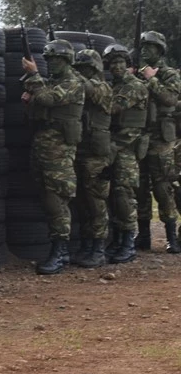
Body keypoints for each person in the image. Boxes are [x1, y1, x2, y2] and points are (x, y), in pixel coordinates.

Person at [22, 39, 84, 275]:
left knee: (56, 200)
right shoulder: (50, 83)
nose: (52, 64)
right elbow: (38, 107)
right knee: (47, 198)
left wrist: (34, 75)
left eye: (57, 60)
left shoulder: (73, 83)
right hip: (43, 148)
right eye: (49, 61)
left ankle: (60, 251)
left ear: (67, 60)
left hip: (59, 151)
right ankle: (60, 250)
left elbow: (48, 99)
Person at [134, 30, 181, 253]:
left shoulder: (169, 74)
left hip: (161, 139)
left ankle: (171, 236)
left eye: (150, 47)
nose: (145, 50)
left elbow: (170, 98)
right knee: (140, 188)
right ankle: (143, 235)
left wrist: (152, 79)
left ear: (160, 50)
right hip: (141, 137)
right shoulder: (139, 73)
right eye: (143, 47)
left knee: (163, 188)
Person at [103, 44, 149, 264]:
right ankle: (119, 240)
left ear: (128, 65)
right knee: (113, 196)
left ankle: (129, 243)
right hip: (113, 147)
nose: (117, 67)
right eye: (113, 64)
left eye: (121, 63)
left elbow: (112, 108)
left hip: (126, 147)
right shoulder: (115, 86)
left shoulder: (134, 86)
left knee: (124, 195)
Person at [71, 49, 113, 268]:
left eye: (85, 69)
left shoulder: (102, 88)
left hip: (97, 156)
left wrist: (70, 73)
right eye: (79, 69)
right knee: (82, 204)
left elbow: (88, 89)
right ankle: (87, 245)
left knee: (97, 204)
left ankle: (98, 249)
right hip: (82, 150)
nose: (81, 73)